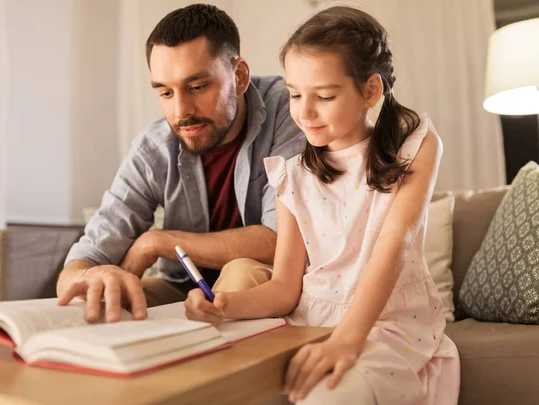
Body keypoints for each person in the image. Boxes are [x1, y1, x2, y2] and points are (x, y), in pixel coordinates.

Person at [184, 6, 460, 405]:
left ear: (370, 90)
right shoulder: (291, 176)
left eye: (324, 96)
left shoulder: (413, 143)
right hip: (309, 320)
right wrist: (222, 305)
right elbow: (283, 288)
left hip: (384, 321)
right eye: (295, 94)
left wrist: (348, 339)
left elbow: (395, 242)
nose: (304, 112)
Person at [56, 4, 305, 323]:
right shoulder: (154, 147)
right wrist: (87, 276)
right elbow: (86, 256)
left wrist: (158, 242)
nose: (180, 110)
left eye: (197, 87)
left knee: (240, 271)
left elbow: (280, 239)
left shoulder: (292, 110)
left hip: (266, 284)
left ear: (239, 76)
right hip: (181, 286)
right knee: (95, 301)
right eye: (165, 92)